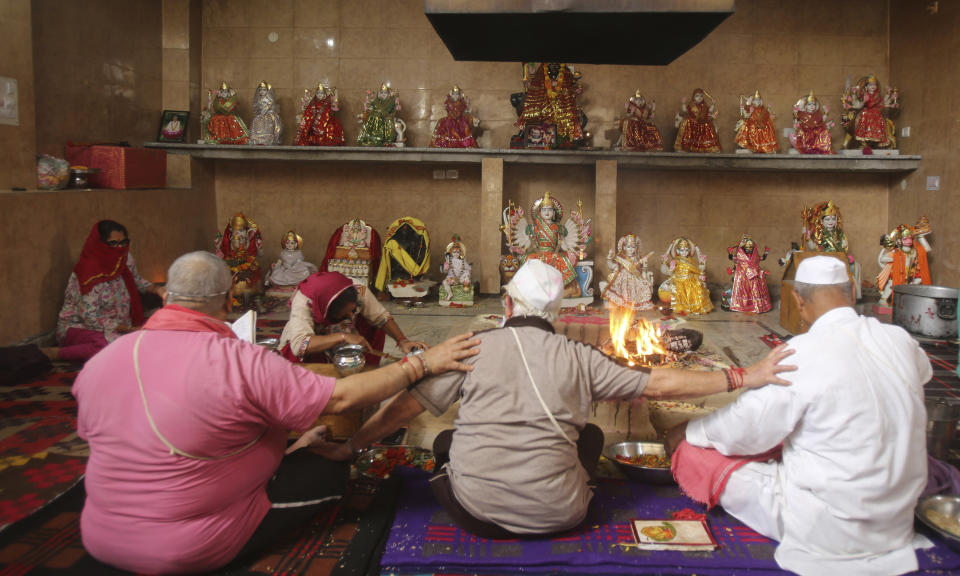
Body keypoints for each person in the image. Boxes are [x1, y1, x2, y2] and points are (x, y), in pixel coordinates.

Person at [297, 260, 795, 539]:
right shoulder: (579, 356)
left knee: (449, 441)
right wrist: (744, 375)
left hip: (475, 515)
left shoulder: (473, 346)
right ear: (557, 312)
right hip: (563, 516)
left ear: (507, 304)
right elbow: (658, 384)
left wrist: (353, 446)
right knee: (593, 436)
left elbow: (404, 409)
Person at [73, 251, 480, 574]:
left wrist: (290, 446)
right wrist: (425, 363)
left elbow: (165, 435)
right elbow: (339, 400)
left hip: (100, 534)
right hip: (189, 545)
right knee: (332, 469)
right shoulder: (240, 361)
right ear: (231, 298)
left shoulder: (102, 361)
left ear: (166, 298)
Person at [666, 255, 932, 576]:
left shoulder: (801, 354)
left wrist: (687, 432)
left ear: (797, 299)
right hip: (895, 525)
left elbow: (744, 429)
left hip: (825, 529)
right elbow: (923, 372)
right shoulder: (899, 339)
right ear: (851, 289)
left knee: (695, 453)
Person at [56, 220, 165, 362]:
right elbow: (90, 318)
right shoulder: (89, 271)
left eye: (123, 242)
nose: (119, 248)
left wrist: (158, 290)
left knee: (160, 330)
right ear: (100, 244)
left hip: (121, 324)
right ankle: (56, 353)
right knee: (113, 345)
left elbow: (136, 280)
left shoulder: (124, 258)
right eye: (113, 243)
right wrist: (127, 329)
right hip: (83, 327)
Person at [278, 271, 427, 366]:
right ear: (328, 310)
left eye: (353, 311)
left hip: (344, 333)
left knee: (372, 324)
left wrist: (402, 341)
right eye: (345, 314)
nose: (350, 316)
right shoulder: (305, 300)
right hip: (315, 338)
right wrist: (342, 337)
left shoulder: (357, 289)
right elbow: (299, 345)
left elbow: (381, 316)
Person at [660, 236, 713, 315]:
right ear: (677, 250)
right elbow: (668, 271)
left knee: (697, 287)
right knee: (682, 289)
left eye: (686, 250)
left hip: (691, 279)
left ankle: (694, 308)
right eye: (682, 250)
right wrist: (669, 266)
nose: (684, 252)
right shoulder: (675, 260)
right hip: (679, 280)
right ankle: (684, 308)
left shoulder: (691, 260)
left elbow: (698, 270)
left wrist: (702, 263)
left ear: (689, 250)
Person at [601, 233, 655, 311]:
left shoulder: (637, 257)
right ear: (624, 247)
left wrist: (644, 265)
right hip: (622, 277)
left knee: (643, 286)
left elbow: (641, 270)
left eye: (633, 247)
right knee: (623, 286)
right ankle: (622, 303)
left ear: (636, 248)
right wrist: (609, 258)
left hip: (636, 277)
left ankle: (633, 304)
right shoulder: (620, 257)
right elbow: (612, 266)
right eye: (628, 247)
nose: (631, 249)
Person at [726, 234, 772, 314]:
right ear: (744, 247)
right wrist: (730, 252)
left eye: (751, 247)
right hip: (743, 278)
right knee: (744, 292)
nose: (749, 249)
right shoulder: (739, 256)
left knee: (755, 290)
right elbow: (732, 258)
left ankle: (757, 306)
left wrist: (767, 252)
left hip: (754, 278)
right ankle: (743, 306)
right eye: (747, 247)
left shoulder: (755, 256)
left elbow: (762, 259)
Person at [674, 88, 721, 153]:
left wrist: (713, 105)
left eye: (701, 96)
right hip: (693, 122)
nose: (699, 98)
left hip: (703, 122)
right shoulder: (691, 105)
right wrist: (683, 103)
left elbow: (709, 111)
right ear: (694, 97)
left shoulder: (704, 106)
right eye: (697, 96)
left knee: (708, 125)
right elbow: (685, 111)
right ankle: (684, 148)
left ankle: (708, 147)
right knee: (686, 123)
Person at [790, 90, 834, 154]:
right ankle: (808, 147)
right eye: (809, 104)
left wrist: (826, 113)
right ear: (805, 106)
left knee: (824, 131)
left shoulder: (818, 114)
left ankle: (821, 148)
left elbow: (821, 122)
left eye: (814, 104)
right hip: (806, 130)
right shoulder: (802, 114)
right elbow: (797, 121)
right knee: (804, 133)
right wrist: (795, 113)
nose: (812, 106)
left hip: (816, 130)